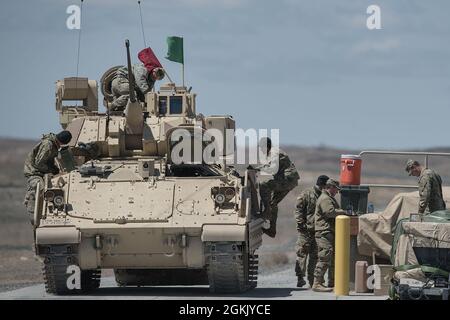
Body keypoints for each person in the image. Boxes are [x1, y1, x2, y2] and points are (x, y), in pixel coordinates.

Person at [23, 131, 72, 224]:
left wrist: (55, 170)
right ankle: (40, 216)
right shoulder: (48, 145)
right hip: (35, 173)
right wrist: (51, 170)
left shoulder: (53, 144)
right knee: (41, 188)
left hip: (42, 172)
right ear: (62, 141)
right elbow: (39, 163)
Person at [258, 137, 300, 238]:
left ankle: (267, 211)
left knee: (264, 185)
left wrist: (256, 168)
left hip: (287, 179)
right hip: (289, 180)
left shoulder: (274, 152)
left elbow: (272, 168)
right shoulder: (272, 153)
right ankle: (272, 230)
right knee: (273, 203)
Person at [312, 178, 347, 292]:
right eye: (336, 189)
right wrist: (343, 212)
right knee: (325, 256)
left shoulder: (329, 198)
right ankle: (317, 283)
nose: (337, 192)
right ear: (330, 187)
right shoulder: (325, 199)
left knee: (331, 257)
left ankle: (332, 282)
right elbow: (330, 212)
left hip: (328, 232)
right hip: (324, 232)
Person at [294, 174, 329, 288]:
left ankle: (311, 280)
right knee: (302, 254)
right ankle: (300, 278)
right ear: (323, 185)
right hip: (305, 230)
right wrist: (301, 224)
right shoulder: (307, 194)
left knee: (314, 256)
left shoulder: (324, 196)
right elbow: (298, 209)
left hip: (317, 230)